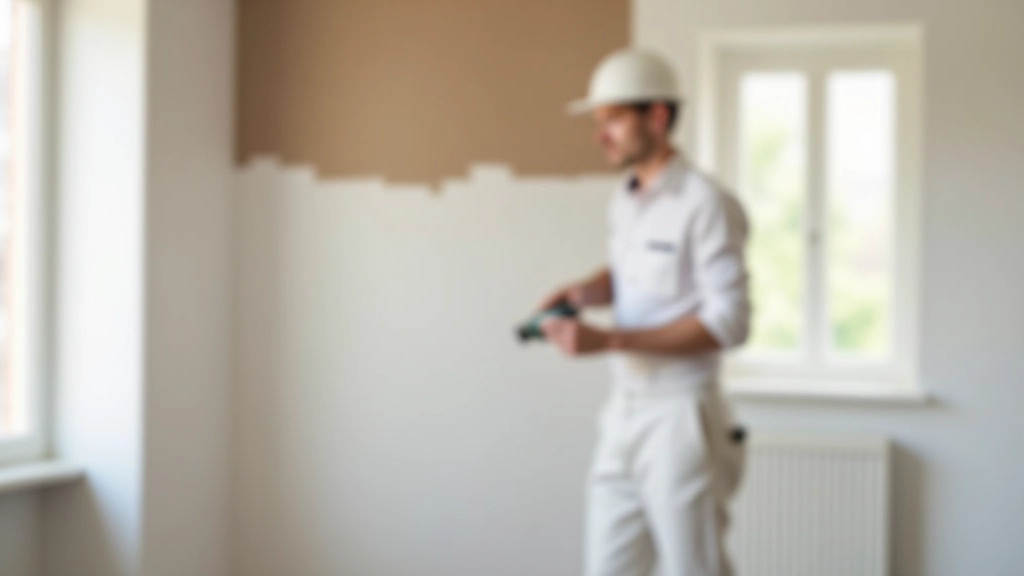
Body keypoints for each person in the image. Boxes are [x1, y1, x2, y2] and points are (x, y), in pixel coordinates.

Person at [539, 49, 751, 576]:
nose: (600, 134)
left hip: (681, 416)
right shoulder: (627, 199)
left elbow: (730, 321)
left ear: (656, 116)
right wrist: (585, 291)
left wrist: (609, 341)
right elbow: (628, 275)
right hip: (624, 411)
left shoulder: (706, 203)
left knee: (692, 569)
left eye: (612, 118)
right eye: (598, 122)